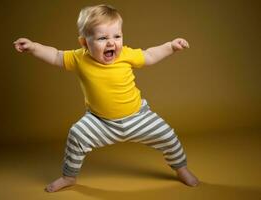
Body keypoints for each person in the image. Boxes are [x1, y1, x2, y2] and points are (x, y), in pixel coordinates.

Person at [13, 4, 199, 192]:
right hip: (100, 122)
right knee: (76, 135)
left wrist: (170, 47)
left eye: (117, 36)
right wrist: (34, 47)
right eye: (102, 38)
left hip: (138, 116)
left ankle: (181, 169)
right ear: (84, 42)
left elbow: (149, 55)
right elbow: (55, 56)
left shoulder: (126, 54)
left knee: (168, 136)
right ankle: (68, 177)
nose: (111, 43)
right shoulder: (79, 58)